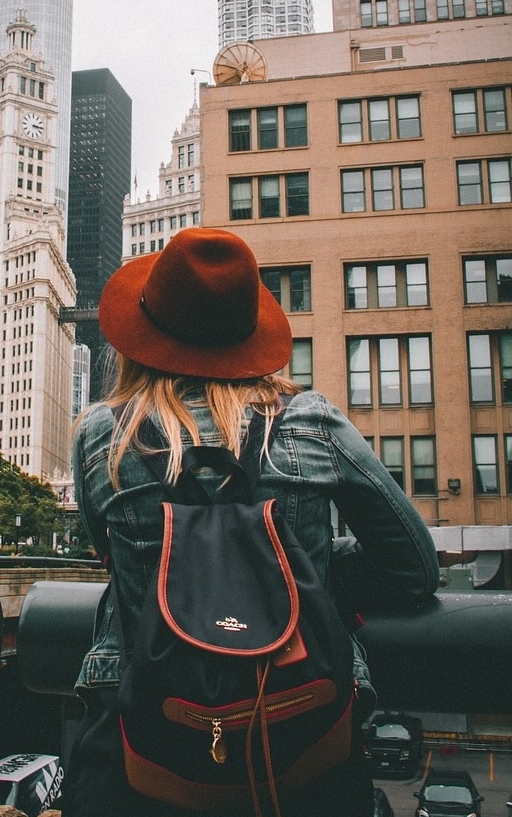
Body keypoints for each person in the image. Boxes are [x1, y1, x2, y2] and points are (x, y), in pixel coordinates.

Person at [63, 227, 439, 817]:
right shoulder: (312, 424)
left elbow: (109, 558)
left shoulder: (103, 436)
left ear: (144, 337)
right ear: (247, 335)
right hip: (303, 745)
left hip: (151, 747)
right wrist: (300, 565)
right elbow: (413, 568)